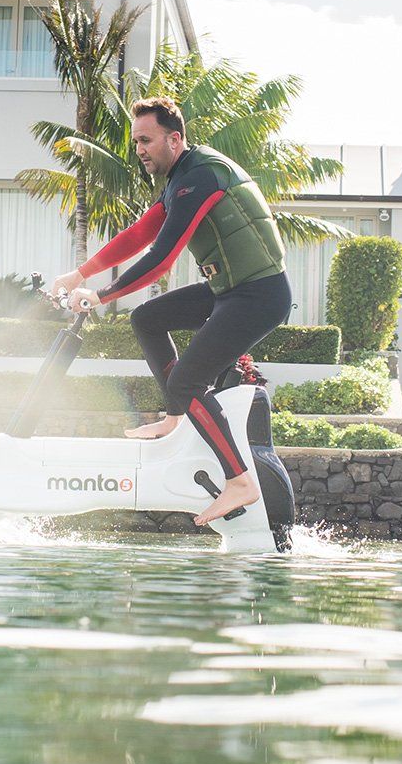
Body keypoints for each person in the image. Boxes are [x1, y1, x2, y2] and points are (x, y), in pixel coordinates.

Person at [51, 96, 291, 526]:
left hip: (258, 294)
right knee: (148, 318)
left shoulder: (199, 176)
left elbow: (161, 258)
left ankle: (240, 482)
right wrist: (78, 274)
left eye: (146, 140)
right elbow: (140, 233)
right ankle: (176, 416)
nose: (139, 149)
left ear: (174, 139)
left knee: (187, 380)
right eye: (135, 142)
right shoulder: (181, 178)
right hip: (228, 288)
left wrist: (100, 295)